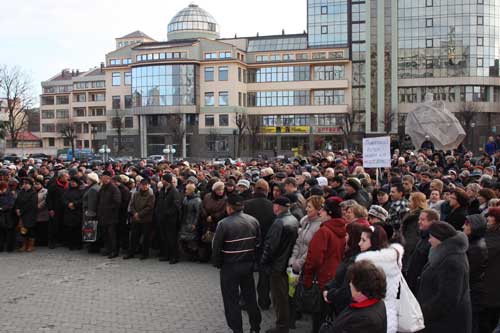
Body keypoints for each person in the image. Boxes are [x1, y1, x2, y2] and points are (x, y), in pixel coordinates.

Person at [212, 194, 262, 333]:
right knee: (250, 297)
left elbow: (216, 247)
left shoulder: (223, 224)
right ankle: (255, 327)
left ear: (229, 208)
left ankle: (237, 329)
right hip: (247, 266)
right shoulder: (253, 221)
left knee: (231, 300)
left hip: (230, 267)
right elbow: (258, 243)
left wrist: (217, 262)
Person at [302, 196, 347, 332]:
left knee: (319, 317)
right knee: (329, 316)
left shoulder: (324, 231)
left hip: (321, 278)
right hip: (335, 276)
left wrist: (307, 276)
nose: (320, 213)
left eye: (323, 210)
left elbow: (314, 259)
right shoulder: (342, 228)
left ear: (329, 214)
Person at [417, 222, 472, 333]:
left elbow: (447, 299)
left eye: (431, 237)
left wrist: (421, 313)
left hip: (446, 323)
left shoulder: (452, 262)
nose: (429, 240)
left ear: (440, 238)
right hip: (437, 319)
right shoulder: (443, 253)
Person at [260, 196, 299, 333]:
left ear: (277, 207)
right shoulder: (294, 219)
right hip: (287, 263)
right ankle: (286, 323)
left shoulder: (279, 222)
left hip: (277, 266)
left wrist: (264, 261)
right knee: (285, 296)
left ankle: (282, 326)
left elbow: (271, 246)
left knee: (279, 298)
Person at [356, 225, 404, 333]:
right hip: (387, 316)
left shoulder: (371, 265)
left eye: (363, 240)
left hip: (371, 319)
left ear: (374, 241)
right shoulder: (391, 259)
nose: (359, 243)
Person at [287, 195, 324, 328]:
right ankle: (290, 321)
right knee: (291, 292)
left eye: (309, 207)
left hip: (307, 266)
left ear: (318, 209)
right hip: (297, 263)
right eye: (306, 206)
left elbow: (311, 249)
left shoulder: (320, 226)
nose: (306, 209)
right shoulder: (305, 221)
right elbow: (298, 242)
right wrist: (293, 259)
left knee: (302, 293)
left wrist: (300, 262)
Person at [330, 260, 387, 333]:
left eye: (352, 282)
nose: (350, 284)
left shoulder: (365, 319)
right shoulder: (375, 303)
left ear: (360, 288)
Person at [405, 208, 439, 294]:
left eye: (423, 219)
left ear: (433, 222)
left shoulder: (433, 241)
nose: (419, 222)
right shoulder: (423, 236)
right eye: (419, 219)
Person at [463, 215, 488, 333]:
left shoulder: (477, 247)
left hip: (473, 292)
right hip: (471, 290)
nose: (463, 227)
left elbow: (468, 271)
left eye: (467, 224)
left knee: (471, 324)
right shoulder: (472, 243)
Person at [124, 178, 155, 260]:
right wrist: (134, 213)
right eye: (143, 185)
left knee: (145, 238)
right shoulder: (136, 194)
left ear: (149, 185)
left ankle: (145, 254)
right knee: (133, 237)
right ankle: (131, 253)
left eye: (146, 185)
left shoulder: (151, 195)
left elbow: (149, 207)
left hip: (146, 219)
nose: (144, 186)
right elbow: (132, 205)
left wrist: (139, 214)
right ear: (140, 185)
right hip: (136, 218)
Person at [480, 207, 500, 333]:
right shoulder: (489, 232)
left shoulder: (496, 236)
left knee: (489, 316)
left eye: (491, 216)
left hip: (493, 280)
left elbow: (485, 253)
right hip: (489, 279)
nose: (487, 218)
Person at [156, 173, 182, 264]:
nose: (161, 181)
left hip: (171, 220)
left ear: (167, 181)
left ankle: (174, 256)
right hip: (163, 219)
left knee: (172, 239)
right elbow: (159, 203)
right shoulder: (163, 190)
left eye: (163, 180)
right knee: (164, 238)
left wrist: (166, 213)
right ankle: (166, 255)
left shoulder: (174, 191)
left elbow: (176, 207)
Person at [97, 170, 122, 259]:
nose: (103, 180)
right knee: (105, 234)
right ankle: (107, 249)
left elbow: (117, 202)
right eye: (102, 179)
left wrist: (107, 209)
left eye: (104, 179)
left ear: (108, 179)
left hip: (111, 216)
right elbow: (99, 200)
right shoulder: (103, 187)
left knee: (112, 234)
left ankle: (114, 251)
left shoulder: (114, 189)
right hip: (102, 215)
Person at [401, 192, 427, 270]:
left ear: (416, 202)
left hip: (409, 253)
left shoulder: (416, 218)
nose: (408, 203)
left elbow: (411, 239)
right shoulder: (411, 214)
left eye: (410, 201)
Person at [179, 183, 202, 261]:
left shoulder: (197, 200)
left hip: (191, 222)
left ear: (191, 191)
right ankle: (188, 254)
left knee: (192, 240)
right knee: (183, 239)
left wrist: (195, 224)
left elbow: (198, 213)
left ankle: (194, 255)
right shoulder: (185, 198)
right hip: (184, 221)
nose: (185, 191)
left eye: (187, 189)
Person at [46, 170, 69, 249]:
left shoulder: (68, 185)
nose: (67, 177)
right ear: (61, 177)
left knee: (64, 225)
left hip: (65, 209)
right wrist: (50, 209)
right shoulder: (53, 186)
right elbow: (49, 198)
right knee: (53, 226)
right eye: (66, 176)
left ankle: (63, 240)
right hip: (55, 209)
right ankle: (52, 242)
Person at [15, 178, 38, 252]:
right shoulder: (21, 192)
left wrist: (21, 211)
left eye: (27, 184)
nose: (25, 185)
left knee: (30, 230)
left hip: (30, 214)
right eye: (24, 184)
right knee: (23, 230)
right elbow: (17, 201)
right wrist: (17, 209)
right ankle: (24, 245)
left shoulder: (33, 193)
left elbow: (31, 204)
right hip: (22, 215)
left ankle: (31, 246)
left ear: (31, 185)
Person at [62, 177, 84, 250]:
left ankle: (78, 244)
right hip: (68, 212)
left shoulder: (81, 191)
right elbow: (63, 199)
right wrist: (68, 204)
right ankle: (70, 244)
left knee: (77, 229)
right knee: (69, 229)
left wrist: (74, 204)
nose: (72, 183)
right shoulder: (67, 190)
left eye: (74, 182)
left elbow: (82, 200)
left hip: (77, 212)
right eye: (71, 182)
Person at [83, 172, 101, 253]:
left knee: (91, 229)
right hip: (93, 212)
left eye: (88, 179)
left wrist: (90, 213)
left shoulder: (93, 189)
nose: (86, 180)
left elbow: (92, 203)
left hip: (90, 213)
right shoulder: (95, 187)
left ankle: (92, 247)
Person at [0, 181, 16, 252]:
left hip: (8, 215)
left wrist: (1, 208)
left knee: (9, 232)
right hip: (2, 215)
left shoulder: (10, 194)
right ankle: (1, 247)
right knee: (1, 232)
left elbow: (11, 205)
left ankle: (9, 248)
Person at [34, 178, 49, 247]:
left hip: (43, 212)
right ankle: (37, 241)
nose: (35, 185)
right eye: (35, 184)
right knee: (36, 227)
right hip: (34, 212)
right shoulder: (33, 191)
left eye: (37, 184)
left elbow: (45, 200)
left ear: (41, 185)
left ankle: (44, 241)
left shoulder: (45, 191)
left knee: (43, 227)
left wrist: (39, 206)